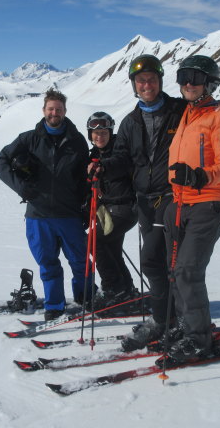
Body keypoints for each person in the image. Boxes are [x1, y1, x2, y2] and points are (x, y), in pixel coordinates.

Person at [92, 54, 220, 352]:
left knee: (159, 262)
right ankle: (171, 319)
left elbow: (212, 110)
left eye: (151, 79)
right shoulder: (131, 121)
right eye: (140, 81)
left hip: (172, 197)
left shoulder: (179, 109)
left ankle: (165, 320)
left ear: (160, 81)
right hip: (145, 201)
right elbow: (123, 157)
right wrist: (104, 166)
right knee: (162, 265)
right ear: (134, 85)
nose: (146, 85)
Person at [157, 55, 220, 366]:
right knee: (174, 271)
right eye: (183, 76)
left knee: (188, 271)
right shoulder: (188, 113)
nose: (188, 83)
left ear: (209, 82)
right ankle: (186, 325)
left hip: (208, 202)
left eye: (194, 76)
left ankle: (200, 340)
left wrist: (198, 176)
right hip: (178, 203)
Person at [0, 88, 92, 321]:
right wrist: (20, 186)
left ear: (65, 111)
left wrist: (86, 207)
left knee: (80, 261)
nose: (54, 113)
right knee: (48, 263)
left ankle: (86, 298)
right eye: (51, 109)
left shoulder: (77, 141)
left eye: (58, 109)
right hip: (39, 215)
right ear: (44, 111)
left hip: (69, 214)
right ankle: (54, 305)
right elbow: (0, 162)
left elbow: (84, 179)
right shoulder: (29, 139)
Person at [85, 112, 138, 305]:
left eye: (104, 132)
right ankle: (126, 289)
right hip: (108, 211)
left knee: (93, 240)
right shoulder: (93, 155)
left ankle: (113, 288)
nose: (100, 136)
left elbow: (121, 163)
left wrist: (102, 168)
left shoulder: (119, 150)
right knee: (112, 249)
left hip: (125, 208)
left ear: (111, 133)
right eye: (96, 133)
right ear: (90, 134)